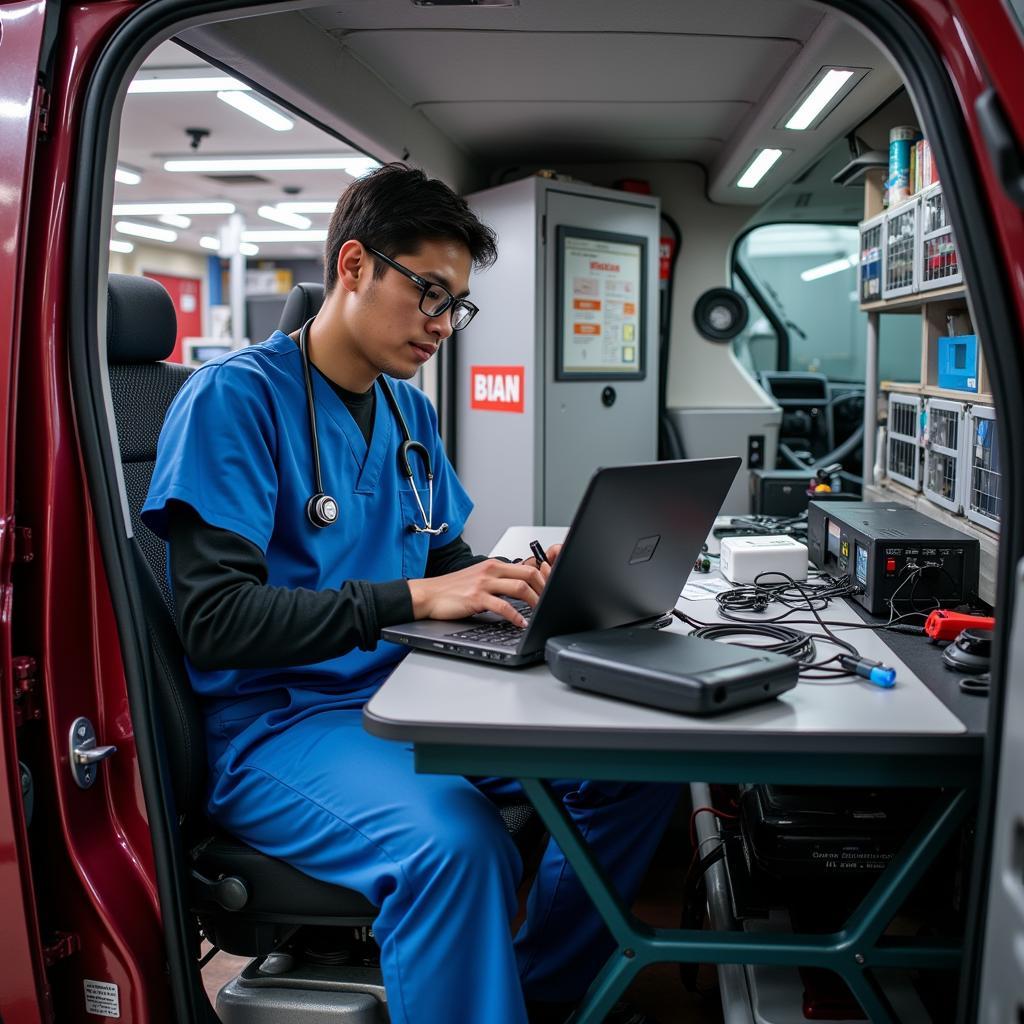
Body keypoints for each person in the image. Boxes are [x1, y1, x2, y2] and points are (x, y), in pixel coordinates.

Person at [142, 163, 678, 1024]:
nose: (442, 325)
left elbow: (452, 559)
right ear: (353, 265)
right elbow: (215, 621)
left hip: (413, 693)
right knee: (455, 847)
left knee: (635, 765)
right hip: (280, 726)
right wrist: (415, 600)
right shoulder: (234, 401)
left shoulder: (406, 414)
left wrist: (535, 581)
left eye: (456, 305)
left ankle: (540, 992)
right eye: (428, 292)